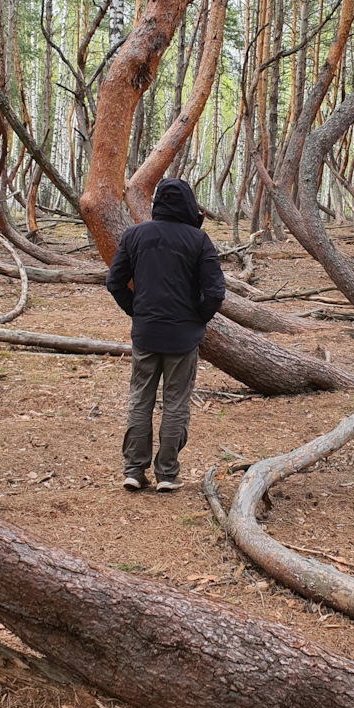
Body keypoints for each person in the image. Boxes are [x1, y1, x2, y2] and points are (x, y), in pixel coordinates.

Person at [106, 178, 226, 492]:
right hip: (182, 338)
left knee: (140, 401)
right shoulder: (199, 240)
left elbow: (115, 282)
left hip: (147, 334)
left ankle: (133, 469)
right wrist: (196, 319)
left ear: (159, 202)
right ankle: (167, 474)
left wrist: (138, 311)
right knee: (175, 404)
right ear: (188, 203)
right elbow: (215, 293)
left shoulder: (135, 235)